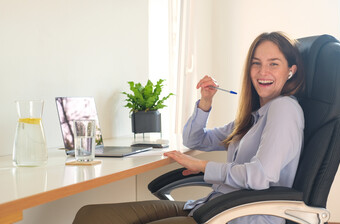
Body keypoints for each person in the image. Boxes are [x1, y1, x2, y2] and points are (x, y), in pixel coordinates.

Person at [73, 31, 305, 224]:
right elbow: (194, 139)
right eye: (257, 64)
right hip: (212, 206)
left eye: (273, 64)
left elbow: (260, 177)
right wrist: (205, 102)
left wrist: (204, 166)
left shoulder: (284, 109)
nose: (263, 72)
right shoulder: (255, 117)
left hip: (240, 216)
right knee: (90, 216)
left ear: (290, 71)